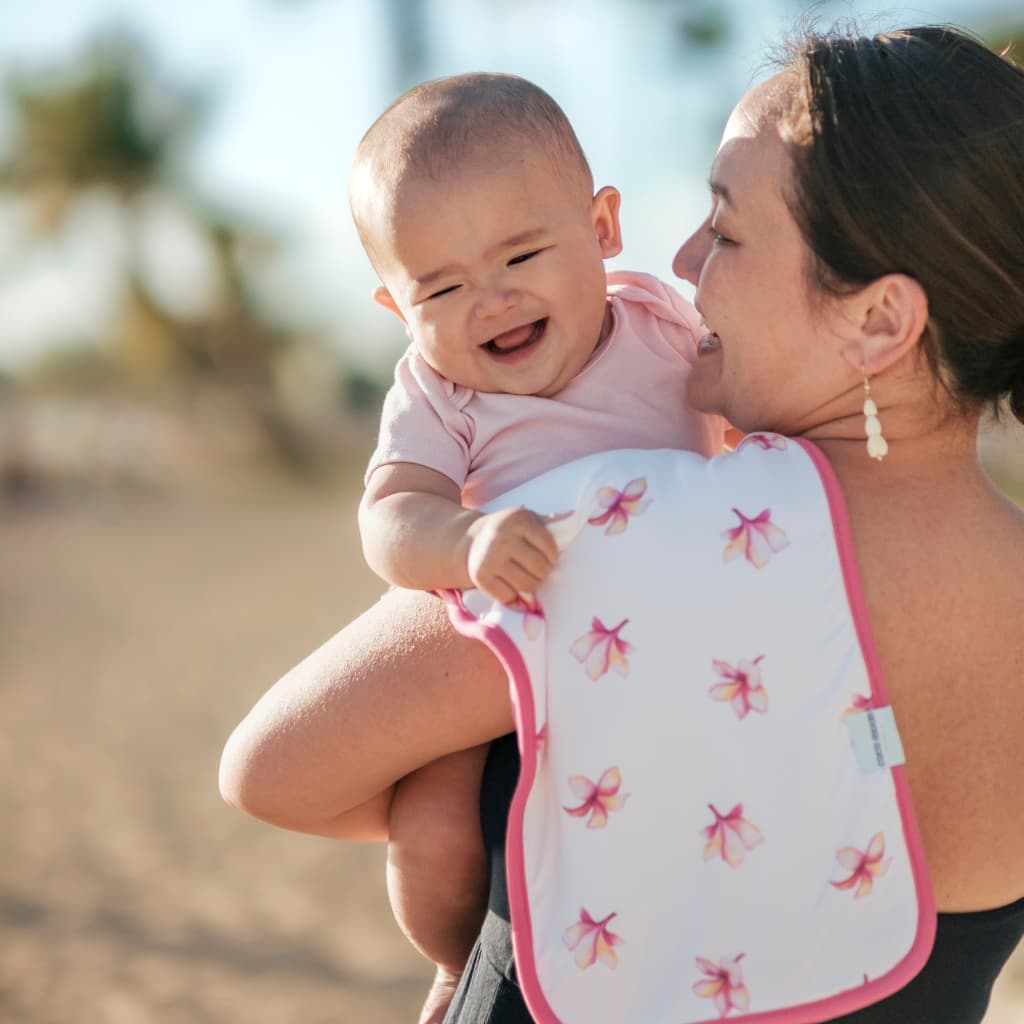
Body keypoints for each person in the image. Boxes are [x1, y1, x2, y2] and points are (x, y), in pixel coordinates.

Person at [219, 23, 1024, 1023]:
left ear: (877, 321)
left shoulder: (609, 530)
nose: (681, 260)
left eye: (725, 230)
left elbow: (267, 771)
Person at [225, 72, 723, 1023]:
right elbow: (391, 518)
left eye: (521, 255)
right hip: (500, 639)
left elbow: (740, 424)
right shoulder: (438, 392)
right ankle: (459, 964)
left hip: (649, 645)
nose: (490, 301)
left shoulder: (662, 325)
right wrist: (467, 537)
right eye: (442, 287)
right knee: (432, 820)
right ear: (394, 310)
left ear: (604, 227)